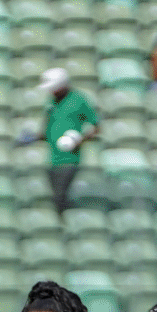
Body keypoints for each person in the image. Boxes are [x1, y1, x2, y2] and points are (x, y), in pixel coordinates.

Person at [35, 68, 99, 216]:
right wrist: (34, 137)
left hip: (69, 159)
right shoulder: (51, 102)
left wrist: (79, 140)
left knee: (60, 195)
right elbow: (47, 129)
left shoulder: (79, 100)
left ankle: (62, 222)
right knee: (54, 196)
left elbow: (95, 127)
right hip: (52, 158)